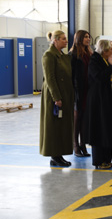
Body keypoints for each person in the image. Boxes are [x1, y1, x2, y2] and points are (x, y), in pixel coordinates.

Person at [83, 40, 112, 169]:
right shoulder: (95, 60)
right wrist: (111, 66)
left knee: (108, 129)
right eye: (111, 49)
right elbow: (99, 78)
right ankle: (99, 161)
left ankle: (107, 159)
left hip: (107, 98)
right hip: (98, 101)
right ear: (104, 50)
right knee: (99, 130)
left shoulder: (105, 60)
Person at [39, 30, 74, 167]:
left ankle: (60, 154)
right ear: (55, 40)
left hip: (65, 94)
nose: (66, 41)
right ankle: (54, 156)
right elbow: (50, 79)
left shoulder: (62, 55)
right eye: (63, 39)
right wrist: (56, 97)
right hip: (55, 96)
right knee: (54, 126)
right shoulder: (49, 55)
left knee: (62, 126)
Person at [69, 30, 92, 157]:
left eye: (89, 37)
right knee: (77, 119)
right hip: (78, 90)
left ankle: (83, 144)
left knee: (84, 119)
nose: (88, 39)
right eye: (85, 37)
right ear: (79, 39)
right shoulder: (73, 54)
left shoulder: (89, 53)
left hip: (88, 90)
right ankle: (75, 145)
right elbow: (71, 75)